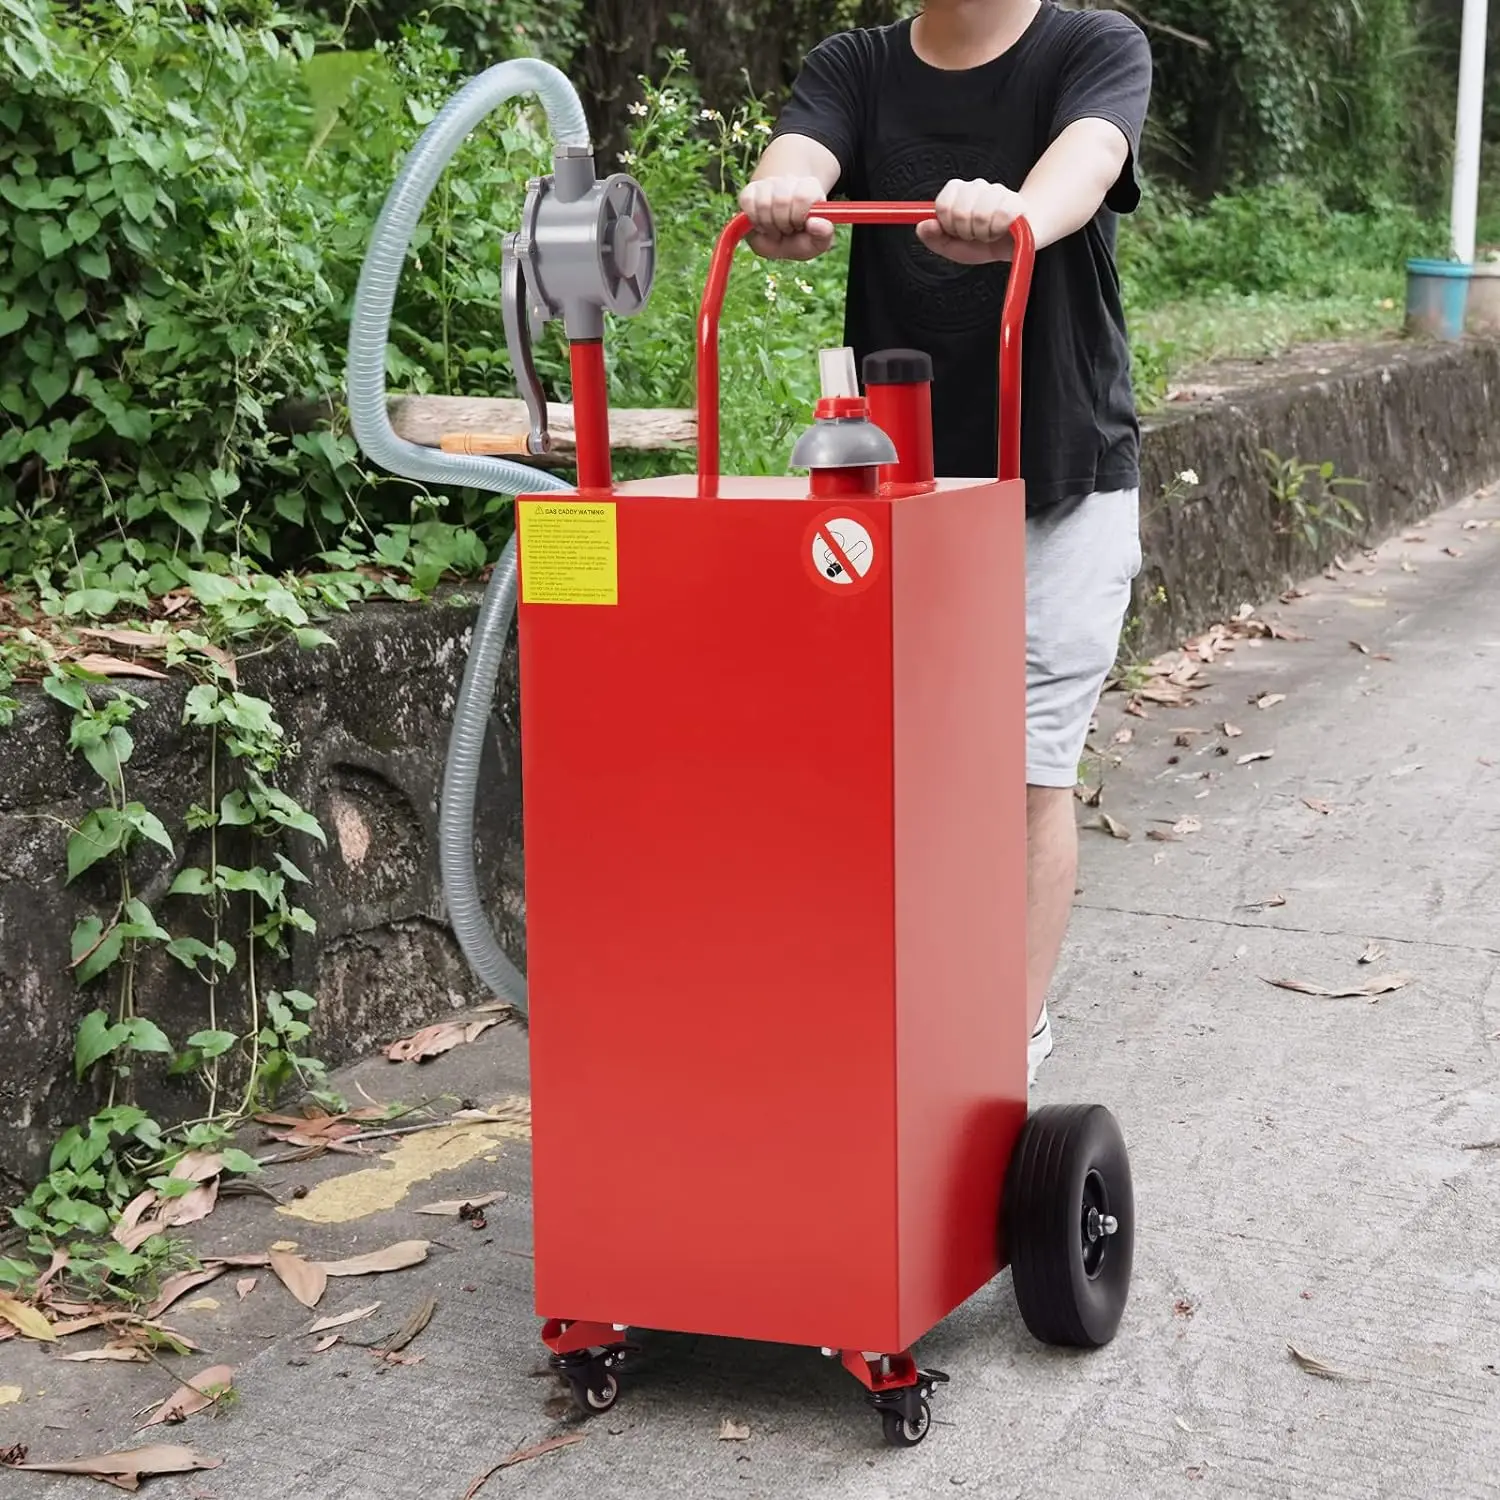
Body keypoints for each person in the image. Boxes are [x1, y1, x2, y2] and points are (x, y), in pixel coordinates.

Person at [741, 0, 1153, 1085]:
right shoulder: (857, 63)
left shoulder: (1092, 46)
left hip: (1058, 477)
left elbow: (1087, 164)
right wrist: (782, 193)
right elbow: (801, 152)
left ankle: (1002, 1044)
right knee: (881, 767)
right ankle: (887, 1013)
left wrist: (1016, 211)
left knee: (1025, 771)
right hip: (899, 492)